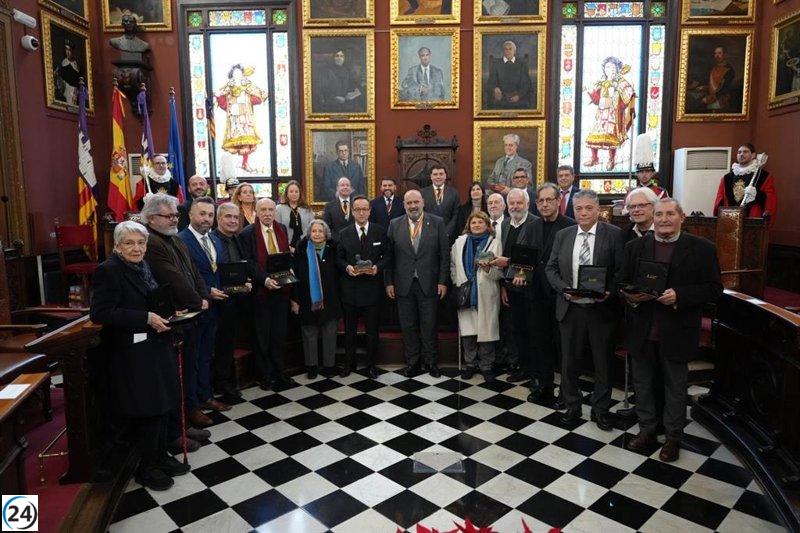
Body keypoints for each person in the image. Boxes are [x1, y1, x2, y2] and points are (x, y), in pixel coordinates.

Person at [619, 199, 722, 462]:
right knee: (642, 384)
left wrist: (680, 295)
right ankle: (647, 431)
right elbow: (621, 281)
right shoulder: (635, 246)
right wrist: (632, 296)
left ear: (682, 217)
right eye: (660, 214)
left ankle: (673, 438)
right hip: (642, 329)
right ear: (653, 217)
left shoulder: (701, 248)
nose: (664, 219)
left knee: (675, 387)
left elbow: (713, 289)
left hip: (677, 329)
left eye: (670, 214)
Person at [91, 221, 188, 491]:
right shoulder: (108, 270)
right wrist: (146, 318)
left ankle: (159, 457)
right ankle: (147, 467)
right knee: (148, 408)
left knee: (162, 404)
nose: (136, 248)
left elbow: (152, 297)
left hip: (157, 344)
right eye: (129, 243)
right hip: (132, 353)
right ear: (118, 247)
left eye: (141, 243)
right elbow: (101, 312)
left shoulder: (143, 266)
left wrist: (169, 312)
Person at [546, 189, 624, 431]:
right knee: (569, 361)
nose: (583, 213)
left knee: (602, 363)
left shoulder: (614, 234)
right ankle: (572, 405)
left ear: (598, 209)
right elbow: (551, 268)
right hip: (570, 308)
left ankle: (600, 410)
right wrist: (563, 289)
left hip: (601, 310)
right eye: (578, 208)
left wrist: (609, 291)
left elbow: (621, 270)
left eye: (588, 208)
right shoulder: (564, 235)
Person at [141, 194, 211, 450]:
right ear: (151, 219)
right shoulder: (152, 243)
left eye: (175, 215)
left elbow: (192, 271)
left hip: (191, 314)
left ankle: (185, 422)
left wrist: (203, 296)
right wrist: (196, 301)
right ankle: (175, 431)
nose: (174, 219)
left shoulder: (175, 239)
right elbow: (172, 278)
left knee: (188, 370)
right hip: (173, 317)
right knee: (174, 378)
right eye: (168, 216)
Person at [385, 189, 450, 378]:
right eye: (409, 203)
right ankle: (412, 363)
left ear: (423, 202)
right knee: (408, 326)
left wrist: (442, 281)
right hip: (403, 285)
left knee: (429, 325)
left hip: (429, 283)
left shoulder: (437, 222)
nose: (413, 206)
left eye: (416, 202)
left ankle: (431, 362)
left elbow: (444, 256)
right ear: (404, 205)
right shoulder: (394, 224)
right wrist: (388, 282)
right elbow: (389, 257)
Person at [178, 197, 231, 422]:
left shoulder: (215, 239)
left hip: (215, 309)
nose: (206, 219)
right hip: (195, 309)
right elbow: (182, 277)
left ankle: (206, 395)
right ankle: (192, 406)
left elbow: (218, 271)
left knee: (206, 355)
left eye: (210, 215)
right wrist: (206, 291)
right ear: (190, 214)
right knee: (192, 359)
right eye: (202, 214)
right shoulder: (181, 241)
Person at [239, 198, 296, 390]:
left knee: (279, 335)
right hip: (261, 293)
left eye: (271, 209)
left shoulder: (280, 228)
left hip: (281, 293)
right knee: (262, 336)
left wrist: (289, 272)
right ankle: (265, 375)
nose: (267, 213)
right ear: (256, 211)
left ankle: (279, 372)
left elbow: (284, 256)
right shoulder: (248, 233)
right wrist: (264, 280)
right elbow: (249, 262)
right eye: (263, 210)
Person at [527, 183, 576, 404]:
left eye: (549, 200)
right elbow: (526, 258)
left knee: (564, 347)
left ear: (558, 201)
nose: (545, 204)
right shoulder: (533, 226)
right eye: (541, 201)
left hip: (561, 296)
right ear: (536, 204)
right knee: (541, 343)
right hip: (537, 294)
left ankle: (566, 393)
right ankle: (545, 386)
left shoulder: (571, 226)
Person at [491, 188, 541, 383]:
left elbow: (536, 255)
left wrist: (510, 263)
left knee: (533, 329)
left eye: (519, 203)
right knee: (516, 328)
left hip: (531, 287)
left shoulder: (536, 223)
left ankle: (534, 371)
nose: (515, 207)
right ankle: (522, 367)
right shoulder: (503, 225)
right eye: (511, 203)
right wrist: (503, 285)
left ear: (527, 204)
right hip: (510, 287)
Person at [337, 196, 388, 379]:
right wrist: (347, 267)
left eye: (364, 209)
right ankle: (349, 364)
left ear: (369, 211)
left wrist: (378, 268)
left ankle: (371, 365)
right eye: (357, 209)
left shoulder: (380, 232)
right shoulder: (343, 233)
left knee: (372, 331)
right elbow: (339, 258)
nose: (361, 212)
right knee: (350, 331)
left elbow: (387, 256)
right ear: (352, 211)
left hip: (372, 290)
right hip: (350, 290)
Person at [452, 211, 504, 382]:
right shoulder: (459, 243)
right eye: (473, 223)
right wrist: (457, 281)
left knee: (486, 331)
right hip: (465, 292)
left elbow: (499, 273)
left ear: (487, 225)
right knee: (468, 332)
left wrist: (488, 269)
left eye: (480, 222)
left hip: (486, 292)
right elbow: (453, 265)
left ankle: (486, 366)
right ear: (469, 225)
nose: (476, 225)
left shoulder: (495, 243)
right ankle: (470, 365)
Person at [291, 220, 341, 380]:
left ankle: (329, 366)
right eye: (314, 231)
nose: (317, 234)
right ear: (309, 234)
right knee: (309, 333)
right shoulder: (301, 251)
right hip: (307, 300)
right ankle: (312, 367)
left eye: (320, 231)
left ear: (326, 233)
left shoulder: (334, 250)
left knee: (330, 333)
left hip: (331, 300)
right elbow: (295, 277)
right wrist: (295, 300)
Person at [210, 202, 248, 403]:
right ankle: (220, 383)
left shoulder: (238, 239)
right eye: (228, 217)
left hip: (237, 299)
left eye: (236, 217)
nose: (233, 220)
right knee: (220, 344)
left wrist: (246, 281)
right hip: (218, 301)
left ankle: (226, 380)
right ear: (219, 219)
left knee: (229, 342)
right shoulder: (212, 239)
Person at [584, 57, 636, 171]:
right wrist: (589, 92)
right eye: (607, 67)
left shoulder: (621, 82)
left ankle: (611, 159)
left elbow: (628, 96)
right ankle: (594, 158)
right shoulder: (601, 82)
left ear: (617, 69)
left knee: (611, 137)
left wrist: (618, 89)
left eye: (613, 67)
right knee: (594, 135)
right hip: (602, 114)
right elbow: (597, 99)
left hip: (614, 114)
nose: (610, 69)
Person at [215, 64, 269, 173]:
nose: (237, 75)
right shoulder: (228, 88)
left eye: (239, 72)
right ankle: (231, 167)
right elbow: (223, 102)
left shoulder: (248, 86)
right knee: (236, 143)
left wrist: (250, 97)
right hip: (234, 120)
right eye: (235, 73)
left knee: (247, 143)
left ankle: (245, 163)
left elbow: (258, 97)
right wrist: (218, 95)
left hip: (245, 118)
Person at [486, 193, 518, 373]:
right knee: (492, 321)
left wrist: (505, 284)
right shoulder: (482, 223)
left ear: (504, 206)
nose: (493, 205)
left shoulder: (509, 225)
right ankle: (495, 359)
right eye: (490, 202)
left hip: (507, 280)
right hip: (487, 281)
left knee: (509, 323)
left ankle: (511, 359)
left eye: (497, 202)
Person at [713, 143, 778, 227]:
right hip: (730, 221)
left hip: (752, 222)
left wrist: (757, 195)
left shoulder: (763, 176)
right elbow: (719, 200)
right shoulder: (727, 178)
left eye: (745, 152)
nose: (741, 154)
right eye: (739, 152)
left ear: (753, 155)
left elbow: (771, 199)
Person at [487, 40, 534, 109]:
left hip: (518, 97)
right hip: (501, 97)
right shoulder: (496, 64)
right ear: (503, 51)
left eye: (510, 49)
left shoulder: (522, 64)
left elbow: (526, 83)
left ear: (514, 51)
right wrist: (495, 89)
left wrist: (519, 96)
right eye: (505, 49)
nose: (507, 51)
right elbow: (491, 82)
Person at [313, 49, 363, 113]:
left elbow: (351, 84)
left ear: (344, 59)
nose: (339, 58)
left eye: (342, 56)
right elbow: (322, 88)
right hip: (331, 102)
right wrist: (334, 97)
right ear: (333, 58)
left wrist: (355, 91)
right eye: (337, 56)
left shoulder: (346, 71)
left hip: (345, 101)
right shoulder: (327, 71)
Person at [688, 46, 735, 113]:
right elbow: (715, 85)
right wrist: (704, 87)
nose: (716, 56)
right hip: (712, 97)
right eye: (715, 53)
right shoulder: (715, 68)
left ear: (725, 55)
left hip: (721, 100)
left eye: (719, 53)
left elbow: (724, 89)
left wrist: (709, 99)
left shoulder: (729, 70)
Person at [421, 165, 459, 241]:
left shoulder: (454, 193)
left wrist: (447, 232)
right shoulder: (422, 193)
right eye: (435, 174)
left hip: (448, 236)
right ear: (431, 177)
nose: (438, 177)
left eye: (441, 174)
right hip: (428, 235)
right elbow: (421, 214)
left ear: (445, 176)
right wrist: (429, 232)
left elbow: (456, 214)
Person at [276, 180, 314, 250]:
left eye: (296, 192)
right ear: (286, 193)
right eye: (291, 191)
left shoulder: (307, 209)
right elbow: (277, 230)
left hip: (305, 246)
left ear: (300, 193)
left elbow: (312, 228)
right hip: (286, 246)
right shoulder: (279, 209)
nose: (294, 194)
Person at [55, 39, 81, 106]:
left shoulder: (76, 64)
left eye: (69, 50)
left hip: (74, 90)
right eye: (66, 50)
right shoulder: (64, 62)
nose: (67, 52)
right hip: (65, 89)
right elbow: (57, 74)